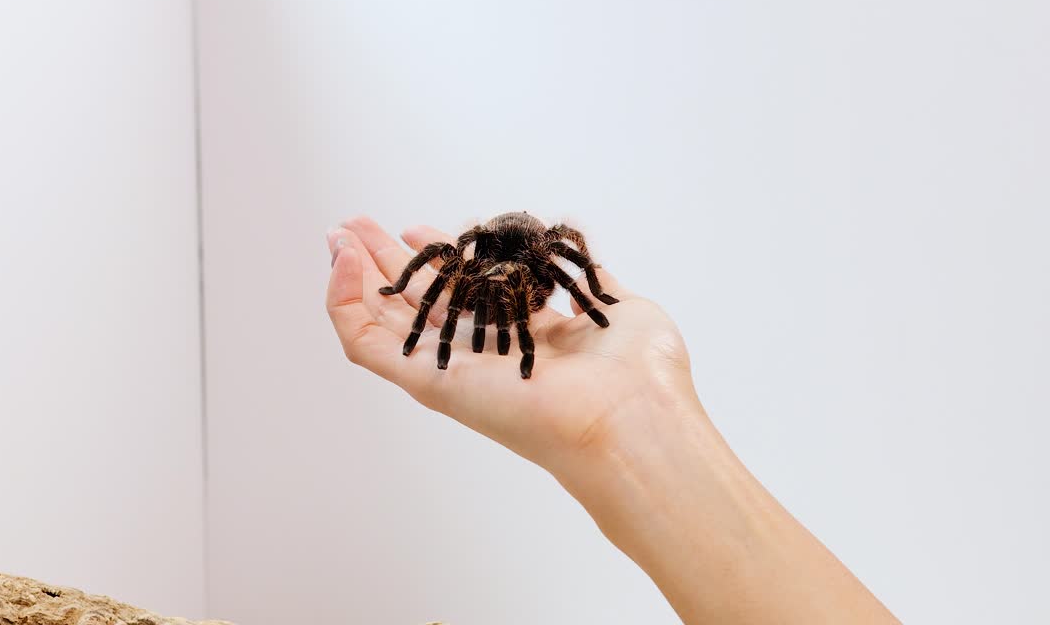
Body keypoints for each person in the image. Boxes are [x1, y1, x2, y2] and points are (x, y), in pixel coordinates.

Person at [325, 216, 900, 625]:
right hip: (493, 250)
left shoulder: (541, 262)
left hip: (521, 258)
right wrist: (407, 287)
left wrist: (590, 299)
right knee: (468, 283)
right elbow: (466, 256)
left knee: (499, 284)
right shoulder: (469, 262)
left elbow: (568, 260)